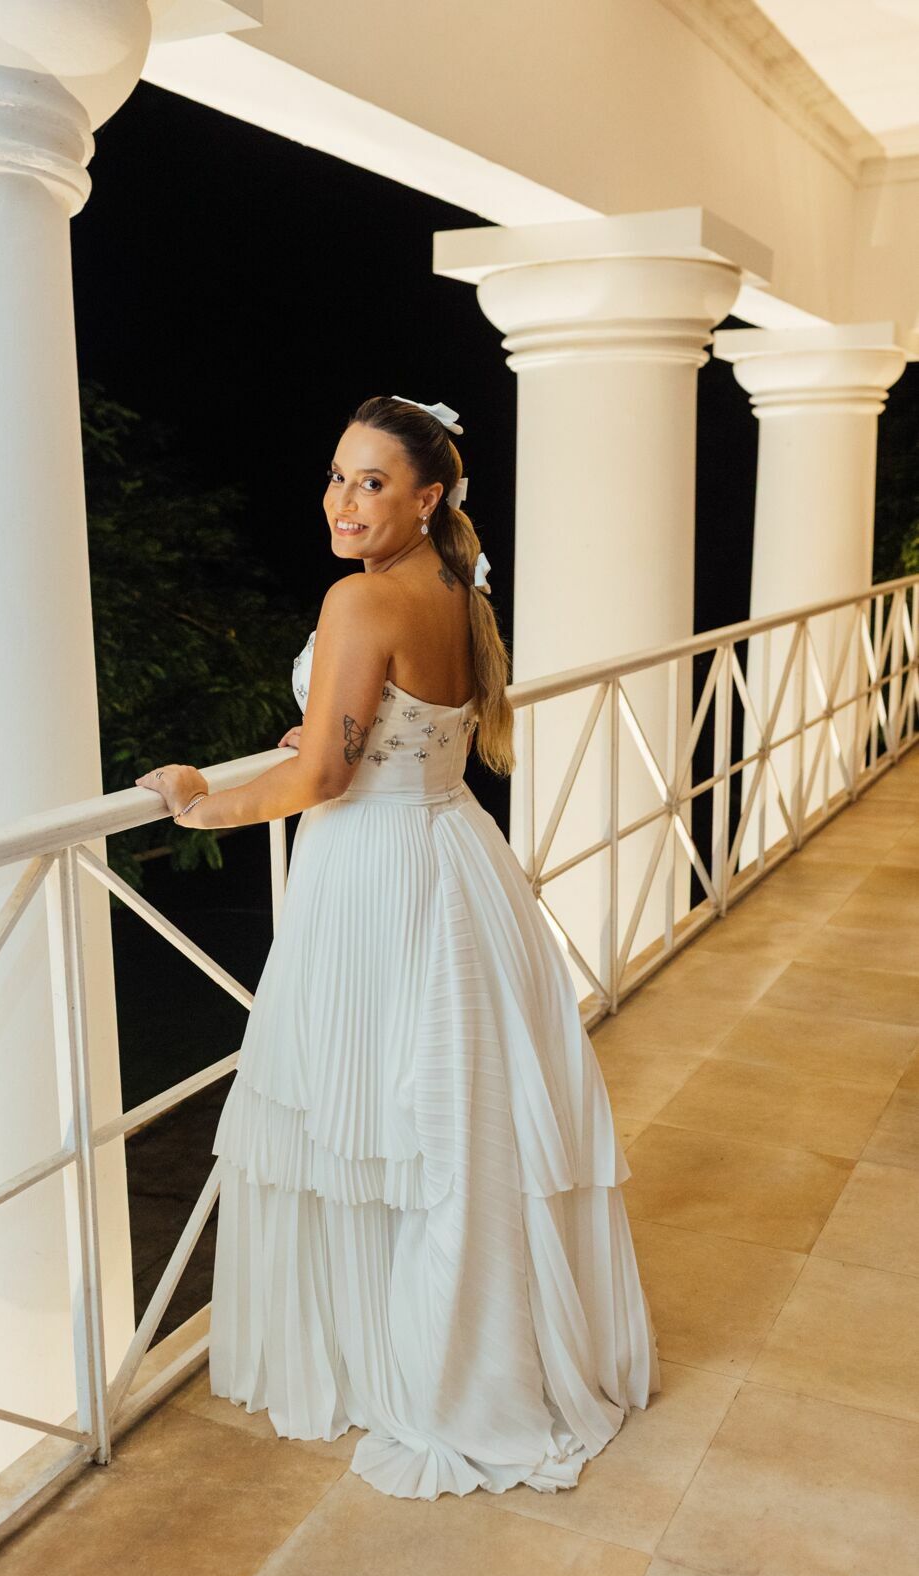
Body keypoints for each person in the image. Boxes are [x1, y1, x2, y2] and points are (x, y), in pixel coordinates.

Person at [135, 393, 660, 1500]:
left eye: (370, 482)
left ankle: (405, 1358)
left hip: (376, 871)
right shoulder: (454, 590)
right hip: (452, 853)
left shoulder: (361, 597)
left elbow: (326, 774)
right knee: (447, 1122)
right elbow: (389, 730)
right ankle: (446, 1344)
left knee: (380, 1109)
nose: (342, 499)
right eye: (337, 475)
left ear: (427, 499)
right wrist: (325, 737)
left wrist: (196, 800)